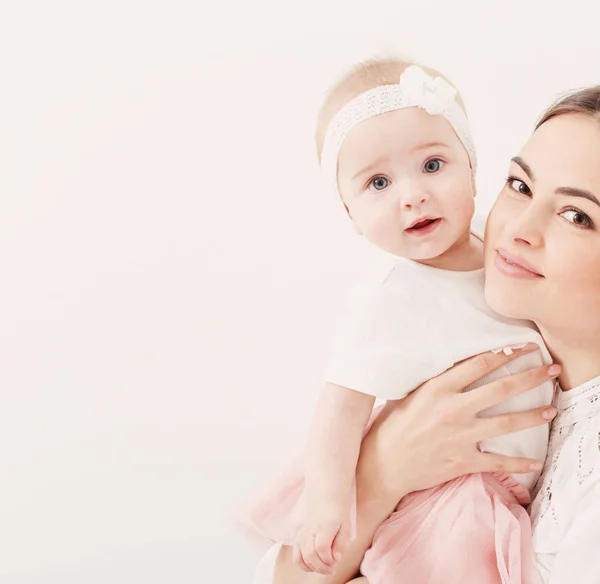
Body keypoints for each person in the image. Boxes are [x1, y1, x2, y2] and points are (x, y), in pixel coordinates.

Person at [262, 84, 600, 584]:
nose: (516, 229)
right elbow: (281, 574)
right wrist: (382, 474)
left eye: (578, 216)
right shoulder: (405, 300)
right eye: (520, 186)